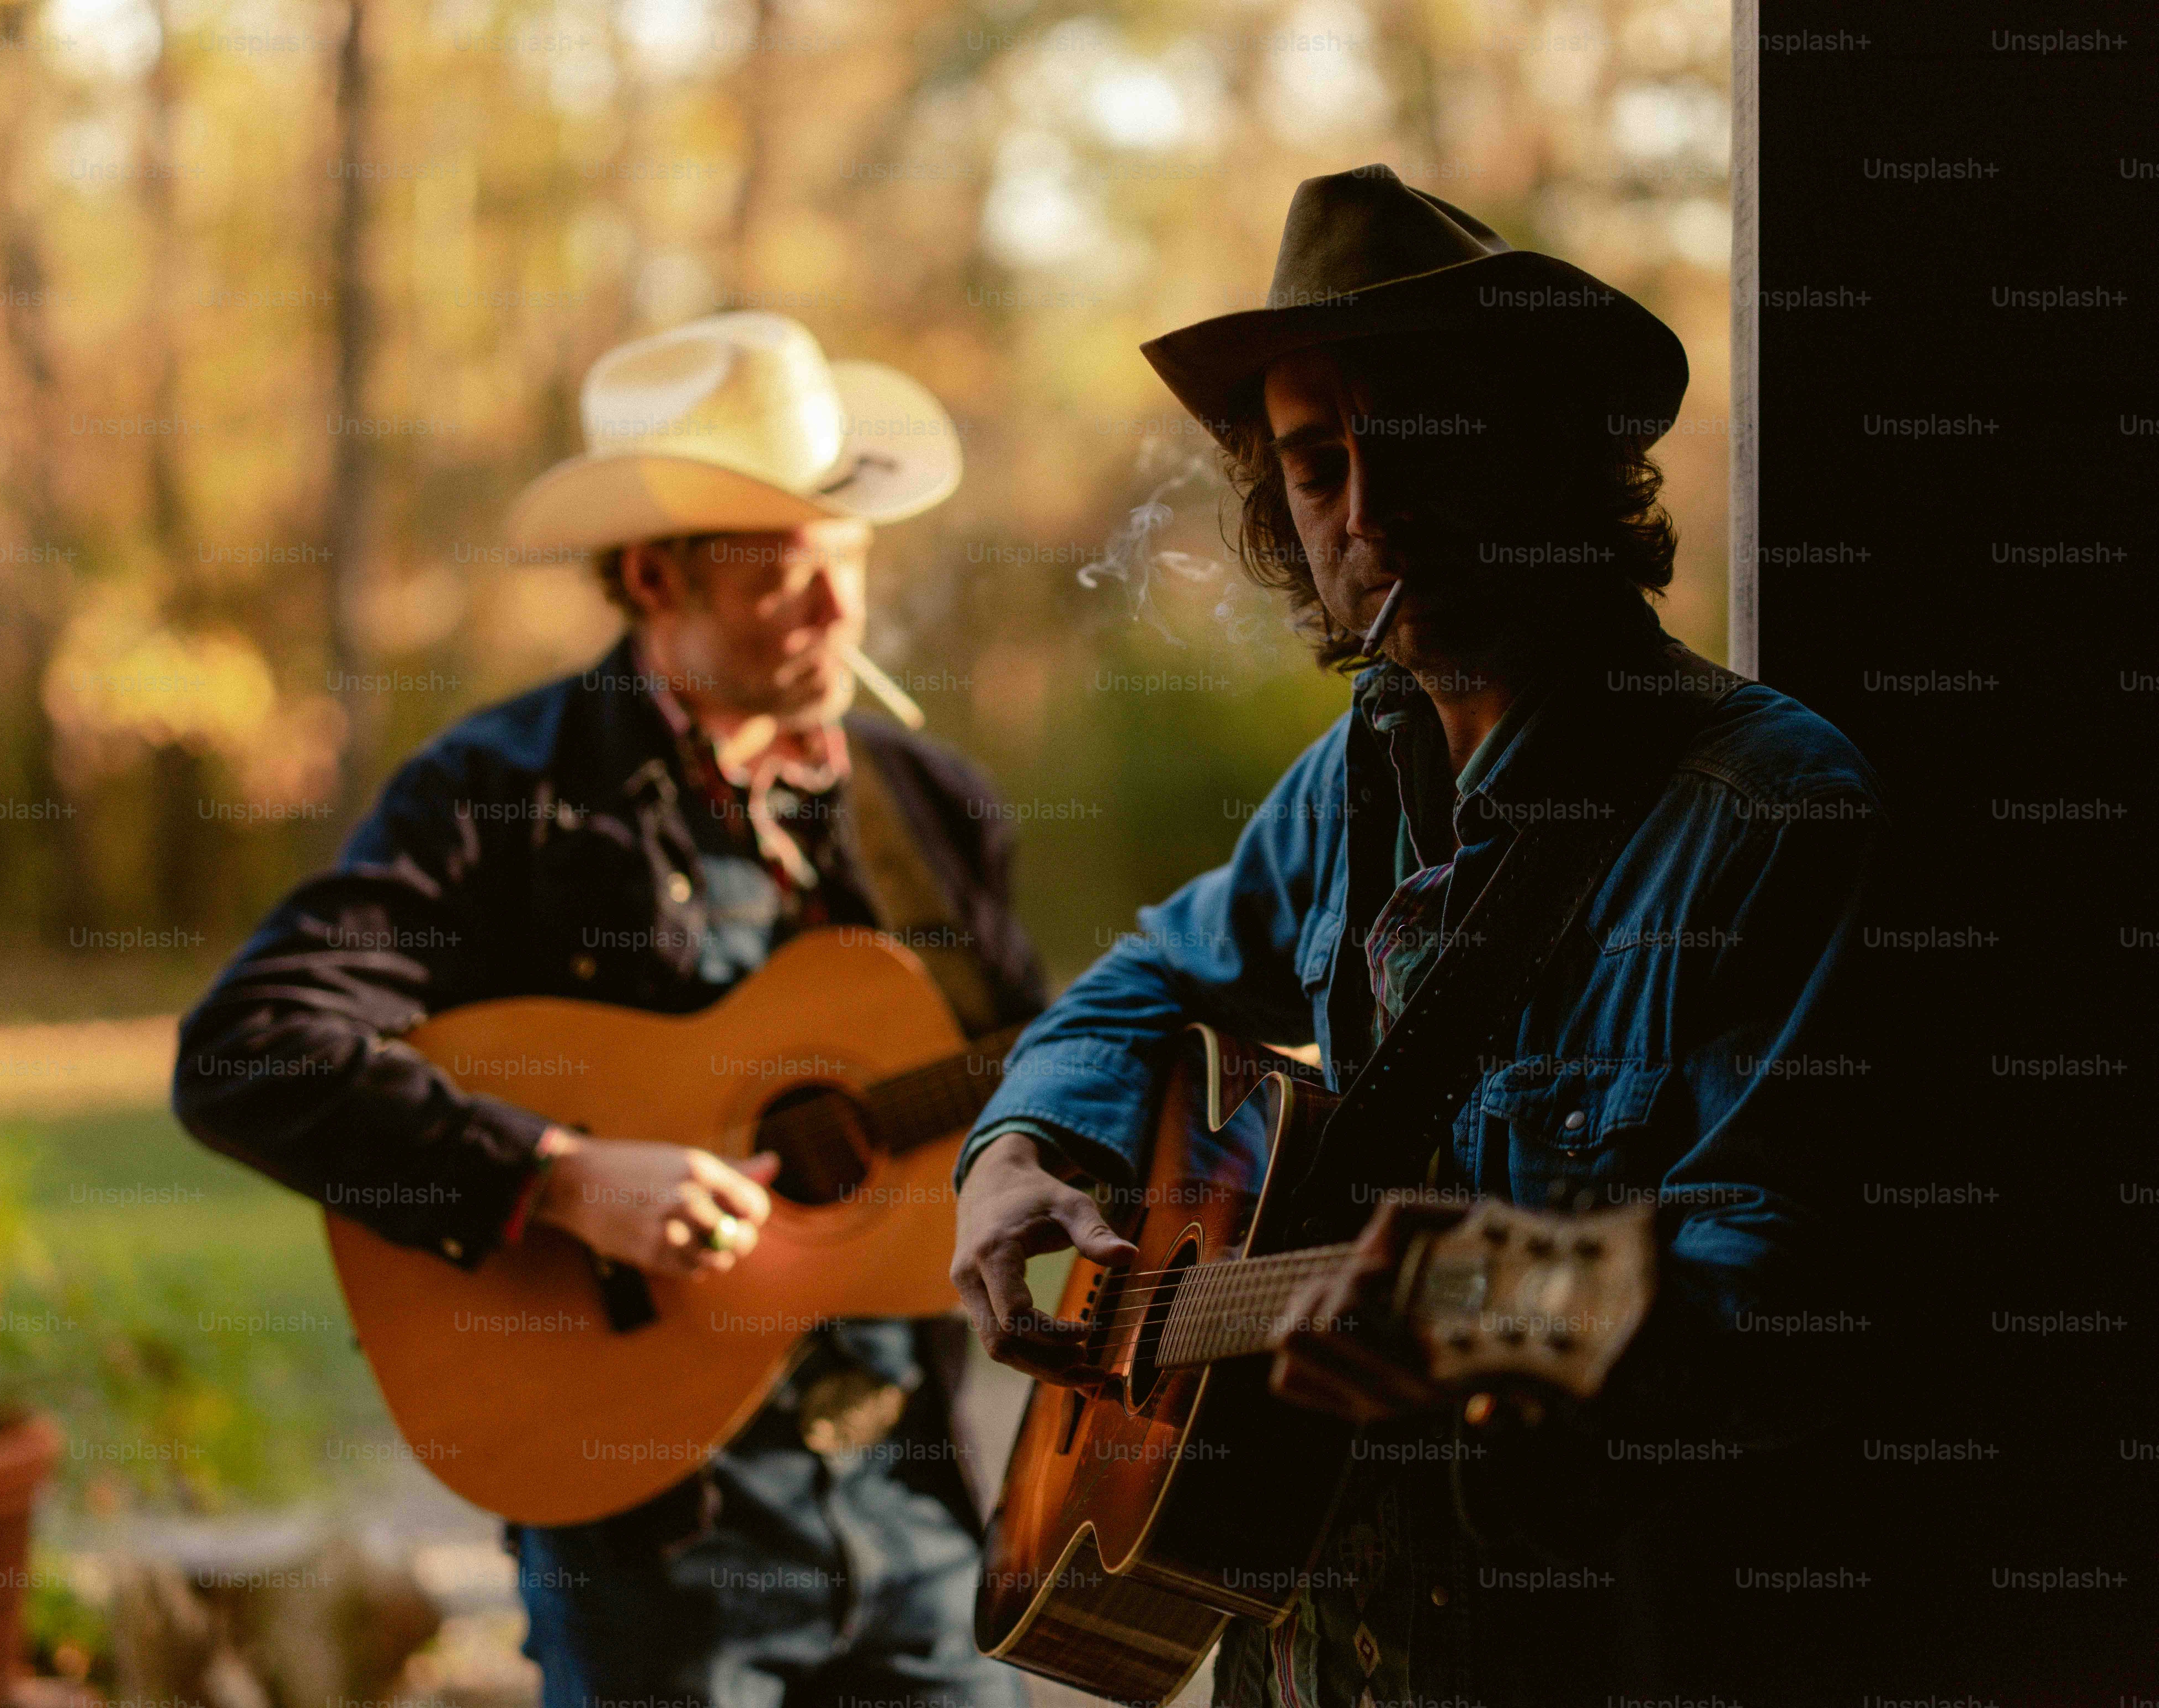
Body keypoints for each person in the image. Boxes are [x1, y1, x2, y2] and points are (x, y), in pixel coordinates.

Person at [950, 167, 1888, 1705]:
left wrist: (1510, 1351)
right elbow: (1145, 981)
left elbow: (1787, 1298)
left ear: (1554, 448)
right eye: (1317, 468)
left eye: (1428, 437)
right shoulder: (1356, 772)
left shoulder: (1770, 807)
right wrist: (1016, 1150)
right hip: (1307, 1656)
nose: (1372, 514)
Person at [175, 312, 1040, 1708]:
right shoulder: (499, 798)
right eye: (785, 576)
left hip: (918, 1507)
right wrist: (557, 1178)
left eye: (851, 563)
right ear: (652, 576)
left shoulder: (931, 808)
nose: (838, 612)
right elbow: (248, 1052)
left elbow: (1039, 1083)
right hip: (652, 1547)